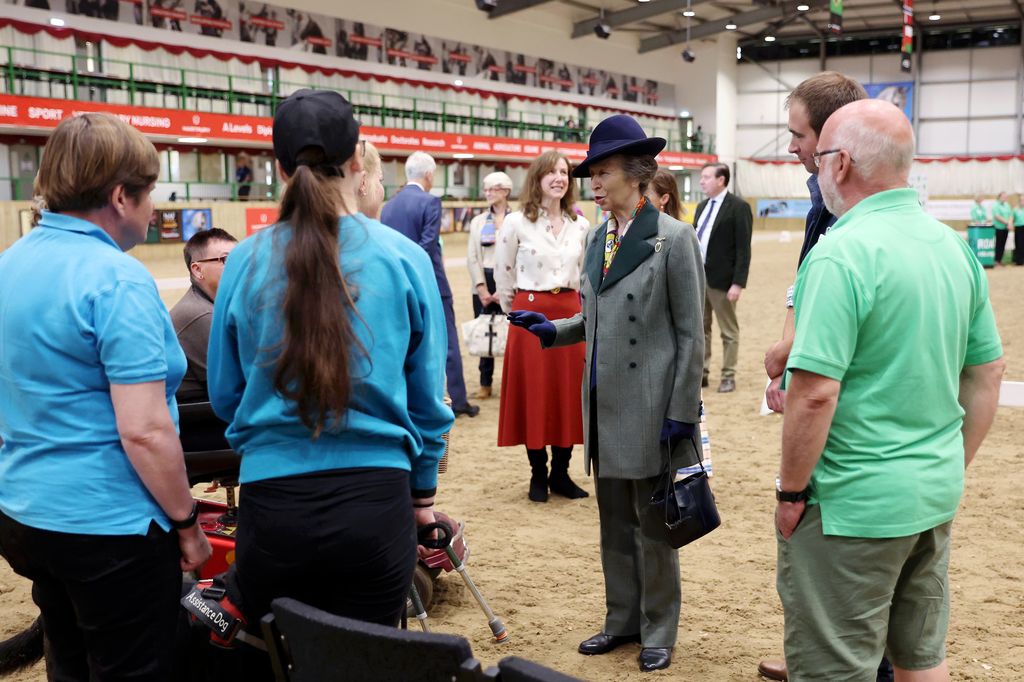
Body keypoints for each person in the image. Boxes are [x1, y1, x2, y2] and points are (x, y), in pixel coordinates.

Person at [206, 90, 454, 679]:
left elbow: (225, 392)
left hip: (274, 508)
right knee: (367, 662)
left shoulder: (242, 259)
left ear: (279, 168)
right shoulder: (402, 258)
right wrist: (422, 495)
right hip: (374, 503)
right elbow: (427, 400)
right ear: (356, 163)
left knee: (278, 661)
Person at [776, 99, 1004, 682]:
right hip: (932, 491)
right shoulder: (953, 249)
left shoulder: (840, 254)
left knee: (835, 666)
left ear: (842, 163)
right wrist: (947, 462)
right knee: (920, 658)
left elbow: (815, 393)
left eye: (819, 155)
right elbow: (986, 373)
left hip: (854, 501)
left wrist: (791, 491)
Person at [0, 113, 211, 681]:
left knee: (68, 657)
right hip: (108, 525)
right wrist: (186, 523)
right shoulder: (116, 278)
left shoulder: (9, 264)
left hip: (27, 512)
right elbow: (143, 430)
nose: (152, 209)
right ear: (121, 196)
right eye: (149, 195)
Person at [509, 115, 705, 672]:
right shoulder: (599, 235)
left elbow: (692, 334)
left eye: (604, 170)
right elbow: (598, 317)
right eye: (591, 171)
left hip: (652, 406)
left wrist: (681, 411)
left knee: (655, 527)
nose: (592, 180)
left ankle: (659, 627)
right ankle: (621, 619)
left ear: (639, 174)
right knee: (614, 524)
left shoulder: (673, 239)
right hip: (602, 402)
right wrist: (557, 330)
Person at [758, 72, 881, 682]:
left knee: (820, 529)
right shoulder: (819, 197)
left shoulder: (851, 217)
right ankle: (811, 649)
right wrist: (788, 335)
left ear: (834, 141)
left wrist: (799, 354)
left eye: (797, 134)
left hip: (846, 409)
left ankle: (828, 656)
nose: (791, 146)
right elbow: (804, 271)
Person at [494, 152, 589, 503]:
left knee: (566, 394)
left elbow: (587, 273)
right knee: (535, 394)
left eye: (564, 172)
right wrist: (515, 311)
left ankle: (561, 473)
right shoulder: (517, 223)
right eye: (551, 172)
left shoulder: (581, 225)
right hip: (528, 316)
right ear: (537, 179)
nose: (558, 178)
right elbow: (503, 274)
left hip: (569, 312)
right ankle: (538, 472)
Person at [381, 151, 479, 418]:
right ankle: (458, 399)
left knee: (404, 340)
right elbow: (426, 246)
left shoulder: (388, 206)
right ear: (429, 175)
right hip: (430, 281)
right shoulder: (431, 202)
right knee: (446, 341)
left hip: (397, 281)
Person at [693, 162, 752, 393]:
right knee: (701, 328)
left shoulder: (738, 207)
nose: (702, 181)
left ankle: (728, 375)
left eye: (706, 177)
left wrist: (738, 282)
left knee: (728, 330)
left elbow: (743, 249)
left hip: (723, 280)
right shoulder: (701, 206)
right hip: (699, 277)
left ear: (721, 180)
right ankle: (703, 373)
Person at [171, 227, 238, 403]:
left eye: (240, 258)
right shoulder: (199, 315)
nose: (239, 266)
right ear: (197, 270)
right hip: (200, 423)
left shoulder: (211, 305)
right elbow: (238, 385)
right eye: (226, 259)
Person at [466, 171, 514, 400]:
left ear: (505, 191)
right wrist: (482, 289)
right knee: (486, 332)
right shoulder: (477, 222)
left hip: (509, 281)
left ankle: (513, 385)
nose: (487, 193)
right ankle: (486, 383)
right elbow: (472, 256)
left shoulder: (519, 219)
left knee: (513, 334)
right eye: (485, 189)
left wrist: (506, 287)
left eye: (492, 189)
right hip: (484, 281)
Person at [356, 140, 386, 219]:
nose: (382, 191)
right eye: (380, 180)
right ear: (362, 182)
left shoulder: (322, 228)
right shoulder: (380, 231)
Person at [991, 191, 1012, 264]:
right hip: (998, 228)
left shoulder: (1007, 205)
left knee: (1003, 244)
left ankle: (999, 260)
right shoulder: (996, 205)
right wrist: (1007, 222)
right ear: (999, 197)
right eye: (1003, 197)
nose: (1005, 198)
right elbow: (997, 216)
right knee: (998, 244)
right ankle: (996, 260)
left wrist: (1009, 222)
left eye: (1006, 197)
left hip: (1006, 228)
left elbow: (1010, 214)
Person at [1013, 193, 1024, 266]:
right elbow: (1012, 218)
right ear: (1019, 201)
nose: (1022, 202)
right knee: (1019, 244)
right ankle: (1019, 261)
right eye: (1021, 200)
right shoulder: (1015, 209)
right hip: (1018, 228)